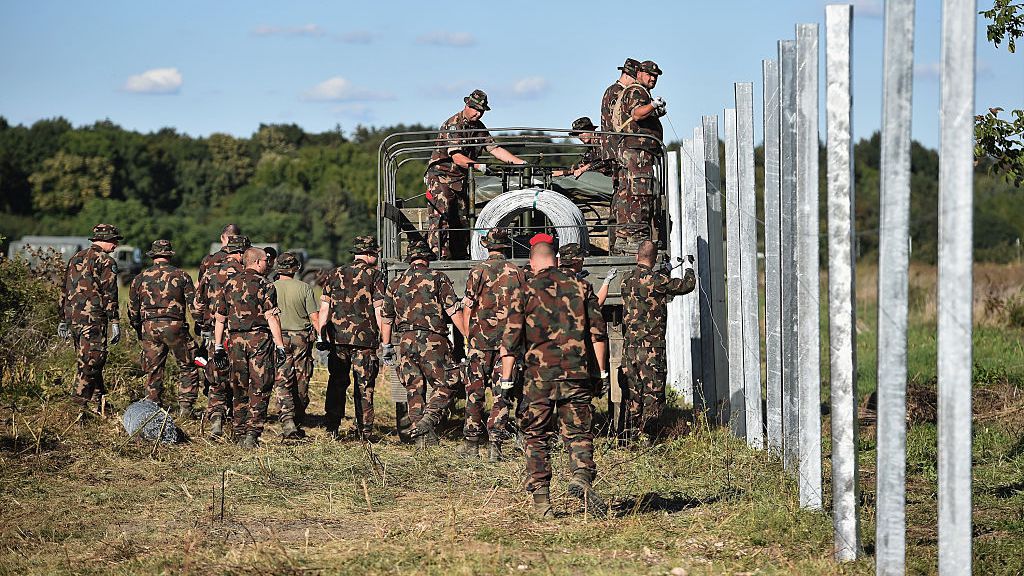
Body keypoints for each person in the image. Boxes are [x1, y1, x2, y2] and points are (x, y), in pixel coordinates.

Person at [499, 233, 610, 518]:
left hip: (539, 378)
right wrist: (601, 374)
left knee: (536, 435)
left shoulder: (524, 291)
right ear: (557, 259)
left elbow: (510, 341)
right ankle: (581, 476)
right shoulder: (582, 287)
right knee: (578, 432)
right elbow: (598, 335)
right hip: (577, 374)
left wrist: (506, 381)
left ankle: (542, 504)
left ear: (532, 263)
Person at [425, 228, 523, 460]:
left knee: (474, 393)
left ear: (487, 247)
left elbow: (468, 306)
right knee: (502, 394)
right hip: (507, 344)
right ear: (506, 247)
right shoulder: (518, 272)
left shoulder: (477, 271)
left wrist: (469, 336)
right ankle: (495, 446)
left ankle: (471, 443)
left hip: (480, 342)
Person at [380, 240, 467, 446]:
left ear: (410, 259)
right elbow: (453, 311)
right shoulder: (438, 278)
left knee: (413, 388)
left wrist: (386, 346)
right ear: (427, 258)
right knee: (449, 381)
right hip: (433, 340)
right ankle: (429, 419)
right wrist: (469, 337)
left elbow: (386, 318)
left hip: (406, 341)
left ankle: (422, 438)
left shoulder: (395, 283)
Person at [425, 89, 527, 260]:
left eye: (481, 111)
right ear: (467, 105)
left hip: (460, 180)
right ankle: (438, 258)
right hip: (440, 178)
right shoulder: (454, 125)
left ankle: (459, 256)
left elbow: (494, 148)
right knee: (441, 218)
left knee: (463, 220)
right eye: (475, 109)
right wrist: (479, 166)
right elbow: (457, 157)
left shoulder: (478, 128)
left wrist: (519, 163)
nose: (478, 114)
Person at [618, 240, 696, 442]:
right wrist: (689, 268)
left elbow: (647, 284)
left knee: (633, 393)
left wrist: (666, 269)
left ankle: (630, 436)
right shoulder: (657, 281)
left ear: (637, 256)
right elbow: (687, 286)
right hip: (651, 349)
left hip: (630, 348)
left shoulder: (626, 279)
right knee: (653, 393)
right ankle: (651, 436)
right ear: (653, 259)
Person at [213, 247, 288, 449]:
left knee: (238, 386)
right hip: (259, 339)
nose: (268, 264)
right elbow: (272, 316)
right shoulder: (265, 284)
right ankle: (252, 434)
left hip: (235, 340)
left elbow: (220, 319)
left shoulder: (229, 284)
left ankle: (239, 432)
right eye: (265, 260)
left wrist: (218, 346)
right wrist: (280, 346)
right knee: (260, 385)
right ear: (256, 262)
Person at [317, 236, 386, 440]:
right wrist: (385, 338)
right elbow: (379, 309)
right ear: (369, 254)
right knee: (364, 385)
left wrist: (322, 336)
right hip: (364, 341)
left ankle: (332, 427)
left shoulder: (334, 273)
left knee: (337, 382)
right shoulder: (375, 275)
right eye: (375, 253)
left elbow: (324, 308)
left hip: (338, 340)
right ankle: (364, 431)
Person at [127, 240, 200, 418]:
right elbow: (194, 306)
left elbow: (132, 310)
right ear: (169, 255)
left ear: (153, 256)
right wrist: (201, 326)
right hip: (175, 327)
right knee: (187, 365)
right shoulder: (181, 276)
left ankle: (153, 406)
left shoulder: (140, 278)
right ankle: (185, 407)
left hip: (149, 327)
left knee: (153, 369)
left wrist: (139, 329)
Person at [57, 223, 123, 416]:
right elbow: (110, 294)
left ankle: (99, 402)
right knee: (93, 359)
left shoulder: (75, 258)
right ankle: (77, 404)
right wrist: (115, 322)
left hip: (73, 318)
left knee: (87, 359)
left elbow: (63, 289)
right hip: (93, 318)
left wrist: (62, 318)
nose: (116, 245)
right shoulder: (106, 261)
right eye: (114, 241)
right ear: (104, 240)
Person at [196, 234, 250, 438]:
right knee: (239, 378)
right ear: (242, 252)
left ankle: (216, 420)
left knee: (216, 377)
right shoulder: (246, 273)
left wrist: (202, 324)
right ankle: (239, 426)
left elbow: (198, 302)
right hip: (238, 333)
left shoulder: (210, 272)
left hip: (214, 333)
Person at [611, 60, 667, 254]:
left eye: (656, 76)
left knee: (626, 193)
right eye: (649, 74)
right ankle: (637, 237)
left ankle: (624, 236)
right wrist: (652, 105)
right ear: (640, 73)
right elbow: (636, 114)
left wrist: (654, 111)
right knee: (640, 193)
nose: (653, 79)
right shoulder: (637, 91)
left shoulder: (630, 91)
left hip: (629, 150)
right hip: (638, 153)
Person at [271, 251, 318, 439]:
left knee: (282, 379)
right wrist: (322, 338)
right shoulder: (305, 288)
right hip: (301, 338)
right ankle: (297, 417)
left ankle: (287, 419)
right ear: (296, 268)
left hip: (278, 338)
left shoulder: (270, 287)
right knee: (301, 378)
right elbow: (314, 317)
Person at [600, 58, 639, 254]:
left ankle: (619, 240)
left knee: (621, 194)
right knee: (624, 195)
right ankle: (620, 239)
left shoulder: (611, 91)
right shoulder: (618, 92)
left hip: (614, 149)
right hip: (618, 149)